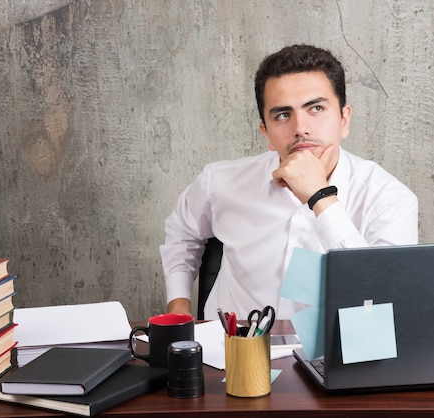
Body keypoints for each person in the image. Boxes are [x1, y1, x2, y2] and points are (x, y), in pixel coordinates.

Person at [160, 44, 418, 320]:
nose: (300, 129)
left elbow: (386, 297)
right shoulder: (220, 183)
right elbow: (182, 231)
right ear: (267, 133)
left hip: (331, 358)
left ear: (344, 119)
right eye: (283, 115)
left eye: (316, 108)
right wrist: (178, 305)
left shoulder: (388, 198)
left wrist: (320, 197)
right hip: (230, 353)